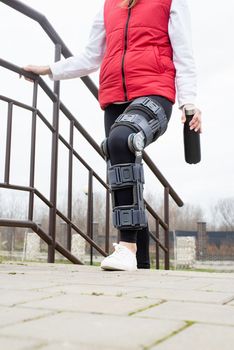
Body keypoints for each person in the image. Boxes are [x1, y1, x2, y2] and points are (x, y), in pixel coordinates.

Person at [23, 0, 202, 272]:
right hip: (115, 100)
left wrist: (189, 103)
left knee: (121, 141)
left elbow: (184, 53)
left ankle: (126, 248)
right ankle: (141, 266)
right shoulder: (108, 7)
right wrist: (50, 69)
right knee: (123, 172)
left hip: (154, 92)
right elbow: (90, 57)